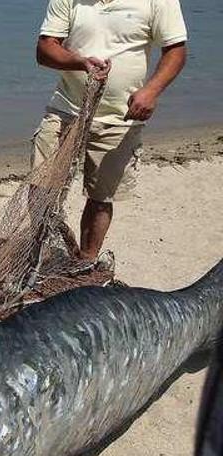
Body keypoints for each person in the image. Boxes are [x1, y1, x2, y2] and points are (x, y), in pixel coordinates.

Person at [31, 0, 188, 264]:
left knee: (101, 197)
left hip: (120, 118)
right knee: (40, 187)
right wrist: (80, 62)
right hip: (66, 109)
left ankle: (86, 262)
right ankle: (40, 253)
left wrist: (151, 91)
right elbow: (45, 50)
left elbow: (176, 51)